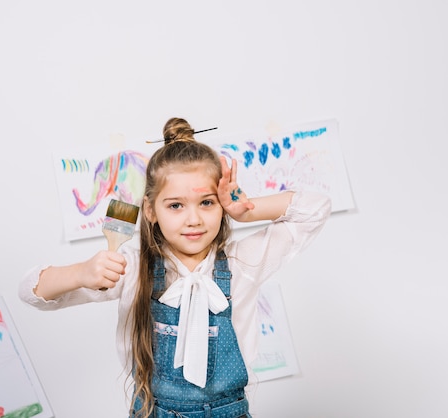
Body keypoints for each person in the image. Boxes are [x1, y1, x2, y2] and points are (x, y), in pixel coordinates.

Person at [18, 117, 331, 417]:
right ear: (152, 211)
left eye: (207, 202)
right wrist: (81, 272)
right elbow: (31, 291)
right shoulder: (131, 269)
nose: (193, 219)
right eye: (176, 205)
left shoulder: (243, 263)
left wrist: (246, 211)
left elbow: (315, 209)